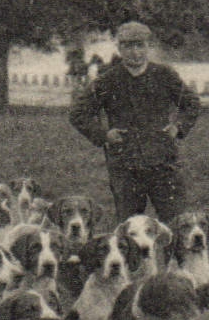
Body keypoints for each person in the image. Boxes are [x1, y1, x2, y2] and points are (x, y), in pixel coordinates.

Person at [68, 20, 201, 223]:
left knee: (177, 224)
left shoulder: (164, 75)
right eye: (128, 46)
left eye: (140, 45)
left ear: (149, 46)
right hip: (125, 166)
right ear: (120, 48)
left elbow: (191, 103)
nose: (135, 52)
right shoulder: (108, 80)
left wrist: (178, 127)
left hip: (164, 163)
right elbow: (78, 112)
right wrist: (104, 135)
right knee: (130, 230)